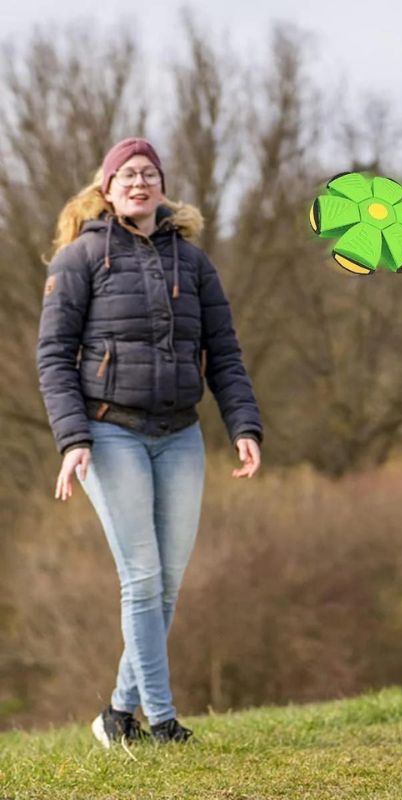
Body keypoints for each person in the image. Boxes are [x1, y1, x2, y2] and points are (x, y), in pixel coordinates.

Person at [36, 137, 263, 746]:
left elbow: (226, 354)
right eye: (127, 175)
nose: (140, 182)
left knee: (168, 582)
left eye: (150, 174)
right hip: (110, 432)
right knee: (140, 580)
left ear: (162, 187)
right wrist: (73, 439)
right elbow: (54, 357)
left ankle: (116, 714)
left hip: (181, 434)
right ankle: (159, 722)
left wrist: (244, 424)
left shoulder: (194, 263)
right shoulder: (79, 259)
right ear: (106, 189)